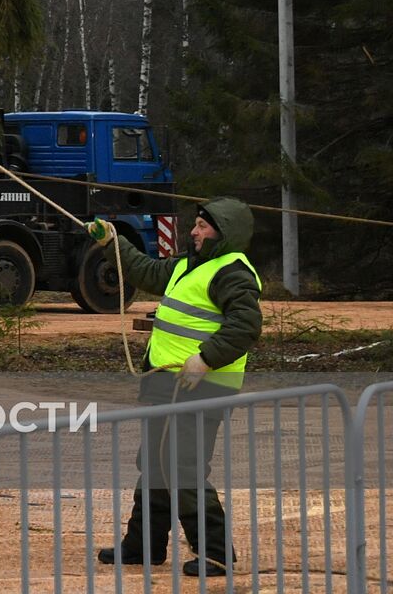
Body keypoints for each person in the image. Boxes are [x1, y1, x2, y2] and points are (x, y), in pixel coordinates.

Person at [88, 197, 263, 577]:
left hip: (202, 388)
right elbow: (145, 271)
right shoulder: (187, 265)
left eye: (203, 226)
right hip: (164, 384)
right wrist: (112, 241)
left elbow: (246, 326)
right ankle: (143, 547)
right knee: (153, 465)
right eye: (196, 224)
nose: (194, 231)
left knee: (182, 468)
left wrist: (206, 358)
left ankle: (215, 554)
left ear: (224, 233)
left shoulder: (232, 272)